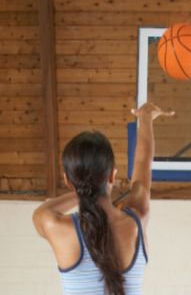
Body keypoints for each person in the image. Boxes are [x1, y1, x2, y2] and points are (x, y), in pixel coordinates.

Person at [32, 102, 174, 295]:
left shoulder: (57, 228)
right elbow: (143, 164)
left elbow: (41, 212)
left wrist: (82, 189)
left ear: (67, 180)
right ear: (112, 177)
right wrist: (146, 117)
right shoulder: (136, 221)